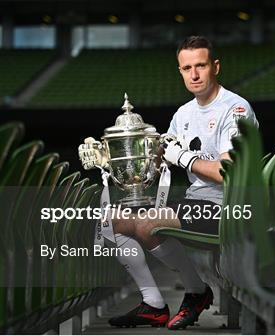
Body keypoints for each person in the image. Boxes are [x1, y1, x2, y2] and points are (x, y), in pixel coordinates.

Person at [78, 36, 258, 330]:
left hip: (227, 206)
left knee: (147, 224)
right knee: (111, 221)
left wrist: (183, 158)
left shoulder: (235, 109)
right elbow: (159, 162)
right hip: (195, 202)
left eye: (201, 65)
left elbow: (229, 172)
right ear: (180, 70)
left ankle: (196, 292)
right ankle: (153, 304)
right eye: (187, 68)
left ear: (216, 66)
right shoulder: (183, 114)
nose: (194, 74)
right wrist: (110, 160)